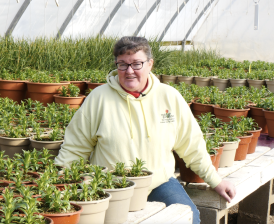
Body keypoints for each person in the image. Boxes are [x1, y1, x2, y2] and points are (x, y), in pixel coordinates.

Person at [54, 36, 236, 224]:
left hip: (158, 183)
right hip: (110, 186)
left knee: (188, 218)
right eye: (122, 64)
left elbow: (192, 145)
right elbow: (75, 148)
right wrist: (56, 185)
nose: (129, 71)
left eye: (136, 64)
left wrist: (216, 180)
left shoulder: (169, 96)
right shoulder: (98, 98)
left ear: (150, 64)